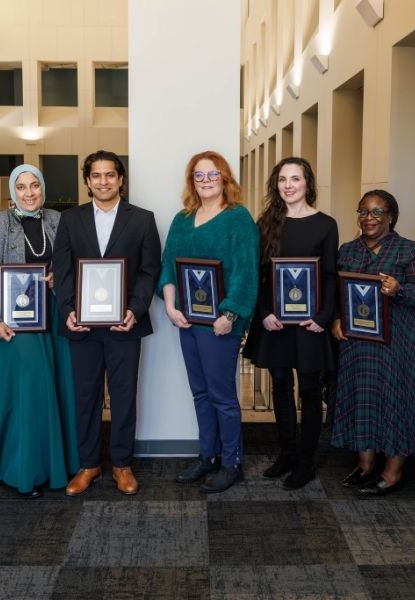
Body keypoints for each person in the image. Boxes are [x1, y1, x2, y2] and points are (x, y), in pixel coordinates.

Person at [52, 150, 161, 496]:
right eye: (96, 175)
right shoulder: (70, 220)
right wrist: (68, 309)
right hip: (81, 326)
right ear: (87, 181)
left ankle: (122, 464)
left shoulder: (143, 219)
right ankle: (88, 464)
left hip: (124, 325)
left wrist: (136, 309)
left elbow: (149, 271)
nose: (103, 181)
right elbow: (63, 270)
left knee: (125, 395)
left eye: (110, 175)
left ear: (120, 179)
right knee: (85, 396)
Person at [158, 151, 259, 493]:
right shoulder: (182, 219)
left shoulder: (238, 219)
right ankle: (208, 456)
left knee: (222, 396)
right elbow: (168, 266)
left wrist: (230, 314)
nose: (205, 181)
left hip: (220, 325)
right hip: (188, 322)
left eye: (212, 175)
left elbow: (246, 272)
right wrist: (171, 307)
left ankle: (231, 462)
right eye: (198, 176)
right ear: (192, 181)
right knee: (200, 393)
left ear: (225, 178)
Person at [0, 164, 78, 498]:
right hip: (13, 320)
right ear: (12, 191)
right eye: (21, 187)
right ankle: (24, 470)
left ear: (43, 188)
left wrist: (59, 278)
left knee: (54, 386)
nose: (29, 193)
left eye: (35, 185)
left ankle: (55, 466)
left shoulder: (57, 219)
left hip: (50, 314)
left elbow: (71, 263)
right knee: (27, 392)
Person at [331, 190, 415, 495]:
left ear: (391, 216)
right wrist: (336, 319)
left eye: (377, 212)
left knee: (395, 400)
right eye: (363, 212)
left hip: (399, 342)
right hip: (358, 342)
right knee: (362, 398)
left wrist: (399, 289)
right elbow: (337, 292)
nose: (369, 218)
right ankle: (365, 465)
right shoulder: (348, 250)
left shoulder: (410, 251)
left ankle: (392, 472)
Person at [243, 157, 338, 489]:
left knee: (310, 392)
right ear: (276, 184)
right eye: (282, 179)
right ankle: (287, 454)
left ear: (307, 183)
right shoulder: (265, 223)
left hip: (310, 324)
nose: (288, 185)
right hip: (275, 323)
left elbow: (328, 276)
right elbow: (256, 275)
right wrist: (264, 313)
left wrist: (323, 318)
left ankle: (307, 462)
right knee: (281, 388)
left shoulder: (326, 224)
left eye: (295, 179)